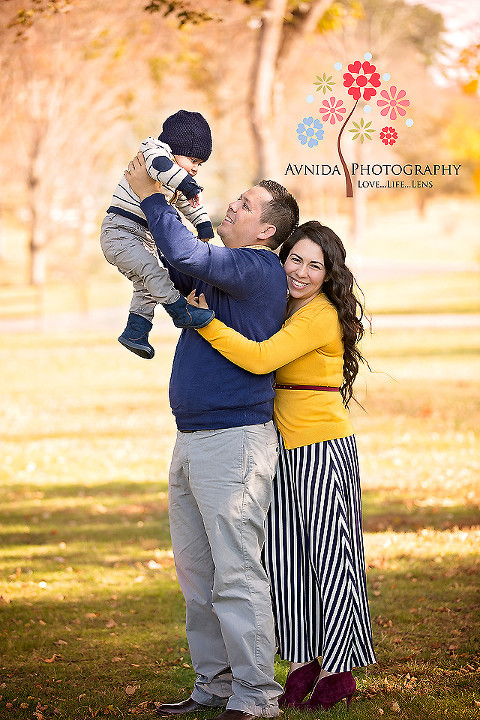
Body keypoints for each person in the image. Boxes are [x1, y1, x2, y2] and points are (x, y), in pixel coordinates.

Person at [124, 152, 300, 720]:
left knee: (237, 572)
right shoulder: (223, 266)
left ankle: (256, 697)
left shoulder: (258, 269)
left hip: (234, 443)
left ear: (266, 230)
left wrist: (151, 191)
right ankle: (215, 686)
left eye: (246, 205)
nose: (234, 205)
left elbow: (183, 252)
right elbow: (174, 266)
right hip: (192, 438)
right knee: (197, 577)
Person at [190, 220, 377, 712]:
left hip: (321, 448)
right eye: (295, 259)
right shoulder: (282, 301)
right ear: (282, 255)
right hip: (281, 448)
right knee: (290, 564)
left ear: (328, 273)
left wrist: (205, 322)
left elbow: (261, 358)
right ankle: (303, 662)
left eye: (316, 265)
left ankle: (341, 670)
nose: (302, 271)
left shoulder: (319, 313)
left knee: (332, 563)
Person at [100, 110, 215, 360]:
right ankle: (180, 311)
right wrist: (185, 182)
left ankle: (135, 332)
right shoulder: (154, 154)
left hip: (141, 237)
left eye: (200, 165)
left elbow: (190, 203)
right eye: (193, 160)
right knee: (155, 273)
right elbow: (161, 168)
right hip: (120, 232)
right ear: (174, 149)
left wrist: (204, 225)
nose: (195, 169)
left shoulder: (175, 179)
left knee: (147, 287)